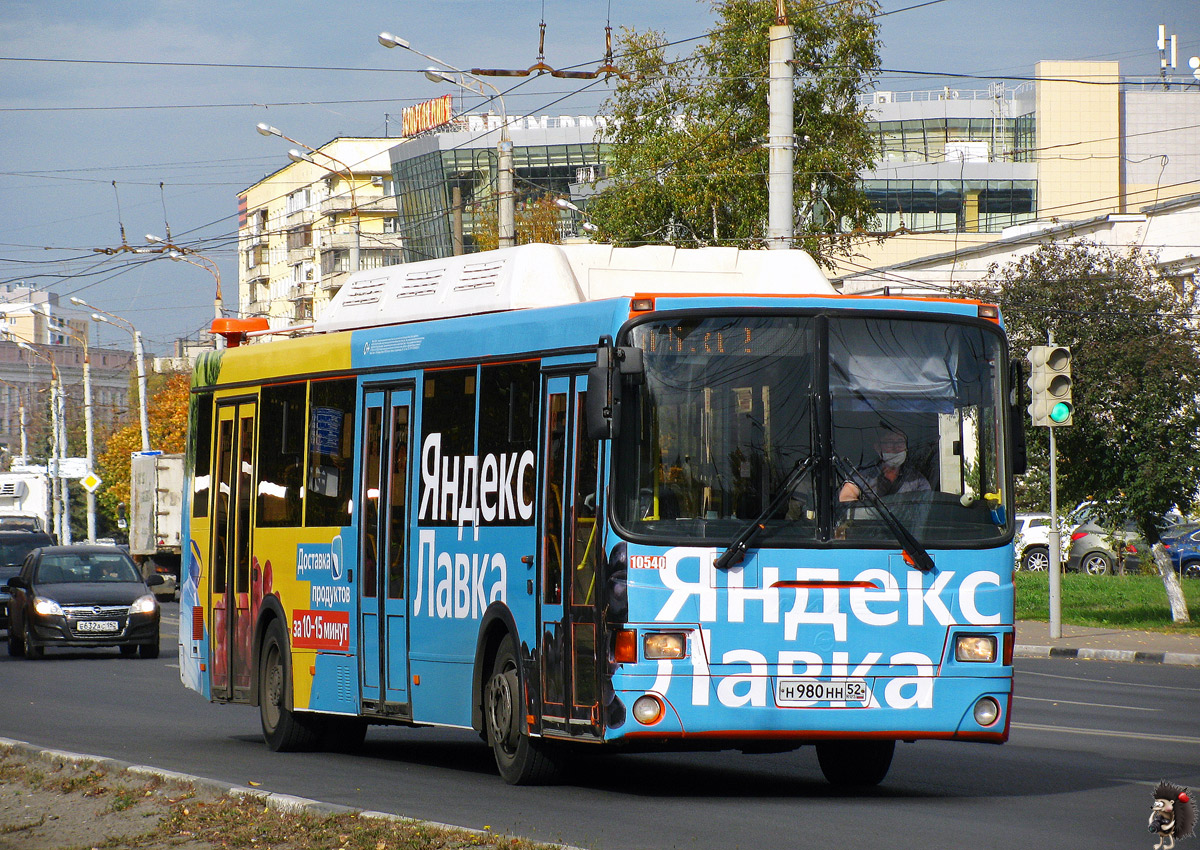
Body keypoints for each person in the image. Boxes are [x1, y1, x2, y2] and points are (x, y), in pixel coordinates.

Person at [838, 426, 930, 502]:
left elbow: (926, 505)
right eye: (889, 443)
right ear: (878, 447)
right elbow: (846, 498)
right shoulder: (862, 474)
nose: (896, 448)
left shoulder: (916, 479)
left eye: (900, 442)